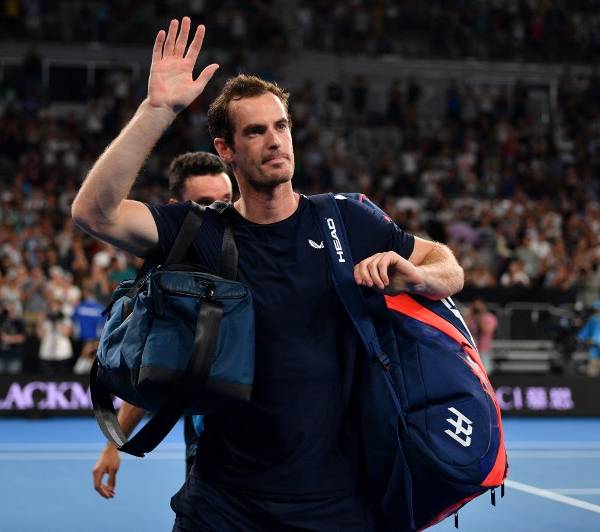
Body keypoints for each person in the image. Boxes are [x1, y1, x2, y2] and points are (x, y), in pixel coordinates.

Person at [72, 18, 464, 531]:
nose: (274, 141)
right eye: (255, 131)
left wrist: (419, 276)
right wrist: (157, 110)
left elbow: (448, 265)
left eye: (281, 126)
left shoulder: (346, 219)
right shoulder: (200, 231)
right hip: (223, 504)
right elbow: (94, 213)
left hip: (337, 503)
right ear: (226, 149)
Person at [91, 151, 233, 499]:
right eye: (205, 204)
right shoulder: (173, 286)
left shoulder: (262, 253)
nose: (220, 213)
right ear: (175, 210)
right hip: (212, 453)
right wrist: (114, 445)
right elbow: (154, 364)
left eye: (227, 201)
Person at [466, 298, 498, 374]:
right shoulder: (472, 318)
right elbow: (465, 329)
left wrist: (480, 317)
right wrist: (469, 315)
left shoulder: (489, 317)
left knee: (486, 372)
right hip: (472, 350)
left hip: (485, 349)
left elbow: (487, 330)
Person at [577, 300, 600, 377]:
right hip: (594, 353)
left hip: (595, 349)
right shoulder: (593, 320)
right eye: (597, 310)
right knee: (592, 373)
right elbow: (583, 334)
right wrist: (583, 339)